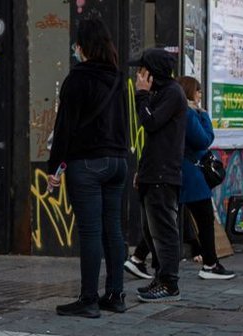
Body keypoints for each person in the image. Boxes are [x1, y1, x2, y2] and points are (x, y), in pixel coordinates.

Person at [47, 19, 129, 318]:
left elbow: (64, 127)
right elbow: (124, 123)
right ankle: (116, 294)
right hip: (117, 162)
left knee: (91, 232)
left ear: (82, 47)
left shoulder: (78, 79)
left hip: (88, 164)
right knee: (114, 230)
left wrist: (54, 168)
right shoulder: (119, 79)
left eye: (77, 45)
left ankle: (89, 299)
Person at [129, 48, 187, 302]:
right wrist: (142, 171)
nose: (139, 75)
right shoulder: (161, 93)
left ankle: (169, 282)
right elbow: (151, 138)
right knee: (149, 229)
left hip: (164, 174)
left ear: (153, 73)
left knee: (164, 231)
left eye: (143, 70)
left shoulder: (173, 93)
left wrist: (141, 95)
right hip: (152, 173)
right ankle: (160, 276)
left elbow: (150, 123)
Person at [175, 76, 235, 280]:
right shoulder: (190, 113)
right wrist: (204, 116)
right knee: (205, 220)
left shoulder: (178, 111)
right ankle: (210, 264)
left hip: (184, 172)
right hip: (193, 176)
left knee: (167, 217)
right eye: (198, 91)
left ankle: (139, 257)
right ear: (190, 91)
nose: (200, 94)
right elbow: (204, 139)